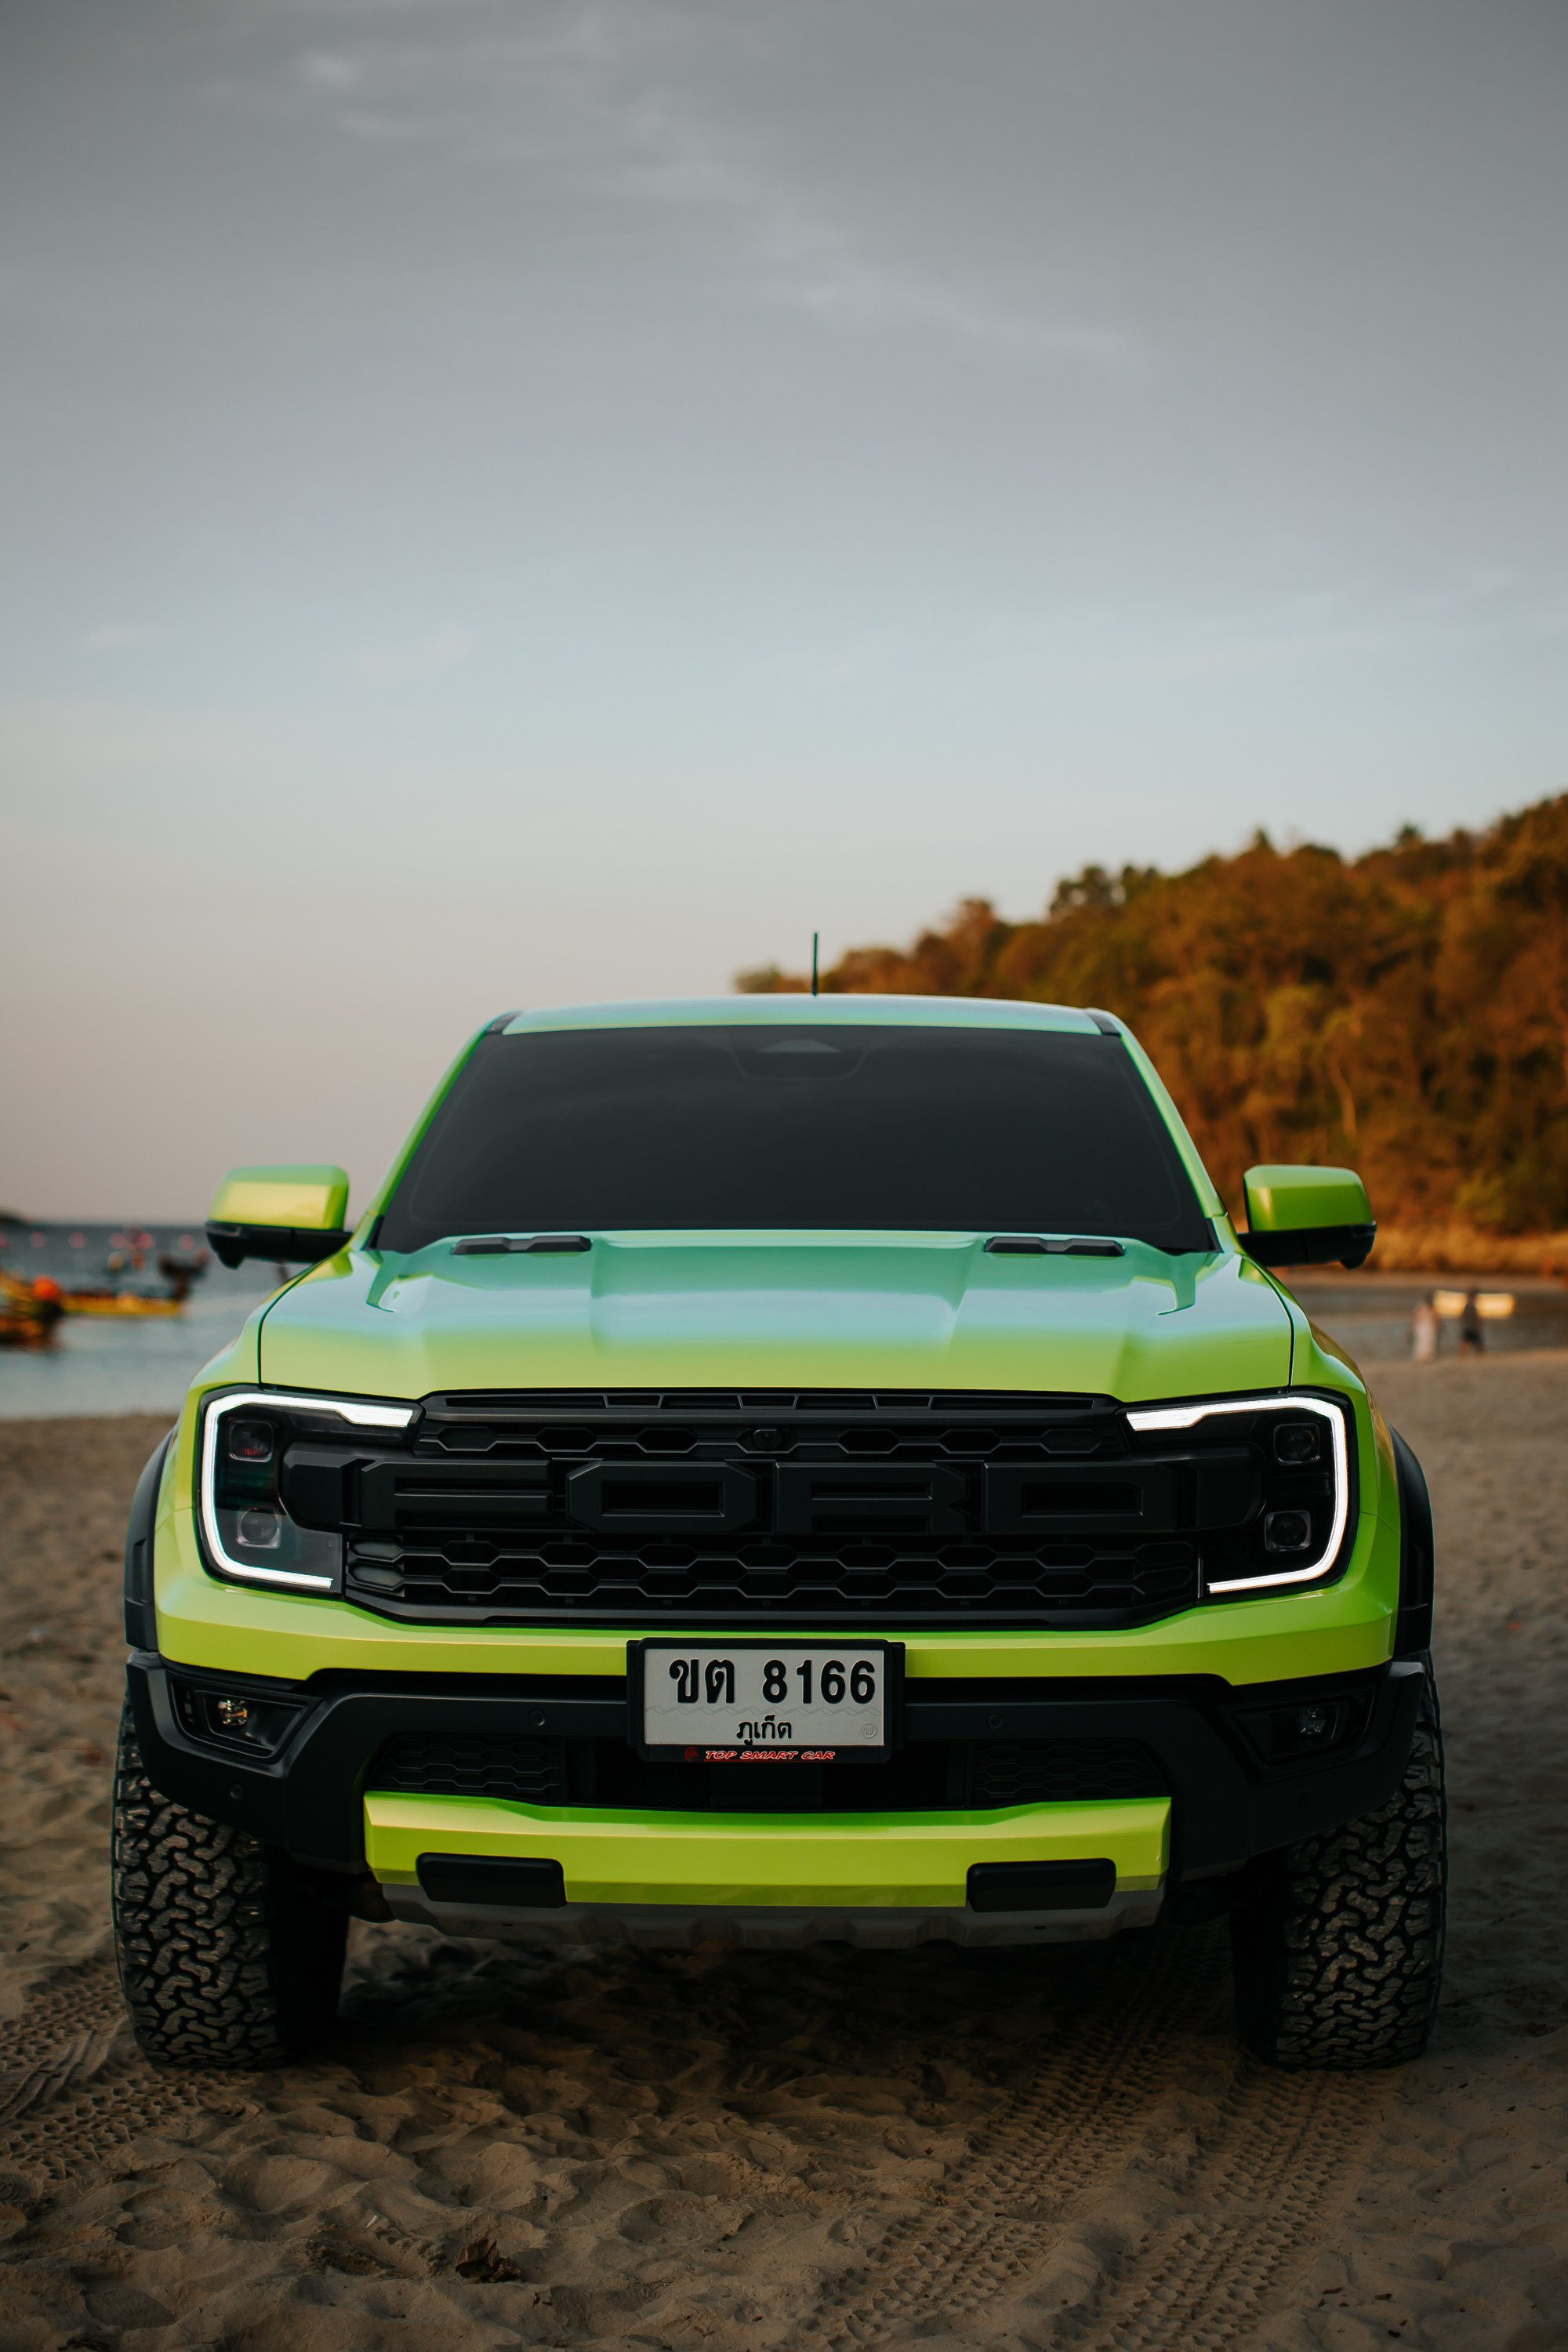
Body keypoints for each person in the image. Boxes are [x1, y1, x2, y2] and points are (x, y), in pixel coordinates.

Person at [1410, 1294, 1439, 1363]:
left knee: (1425, 1341)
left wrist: (1413, 1327)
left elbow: (1416, 1317)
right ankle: (1424, 1356)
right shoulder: (1429, 1308)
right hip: (1426, 1327)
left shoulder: (1421, 1307)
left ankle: (1423, 1356)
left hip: (1424, 1327)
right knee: (1425, 1341)